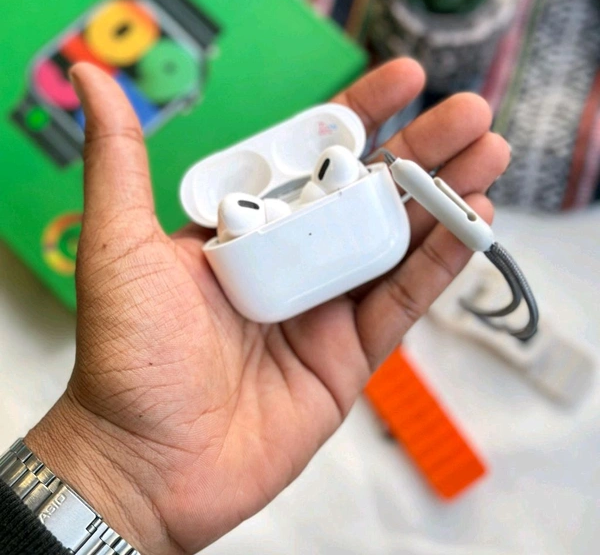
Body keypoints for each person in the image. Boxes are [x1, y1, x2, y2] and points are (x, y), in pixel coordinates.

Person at [0, 59, 509, 554]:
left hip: (320, 263)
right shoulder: (288, 254)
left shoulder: (301, 249)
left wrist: (120, 476)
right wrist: (121, 469)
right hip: (323, 261)